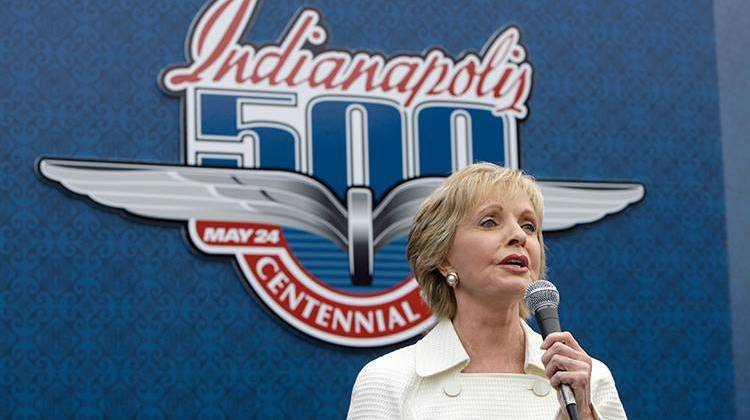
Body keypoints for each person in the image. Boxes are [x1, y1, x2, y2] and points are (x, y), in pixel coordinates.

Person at [347, 163, 626, 419]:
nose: (519, 236)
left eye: (529, 226)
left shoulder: (588, 379)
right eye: (489, 222)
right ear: (443, 258)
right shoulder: (387, 381)